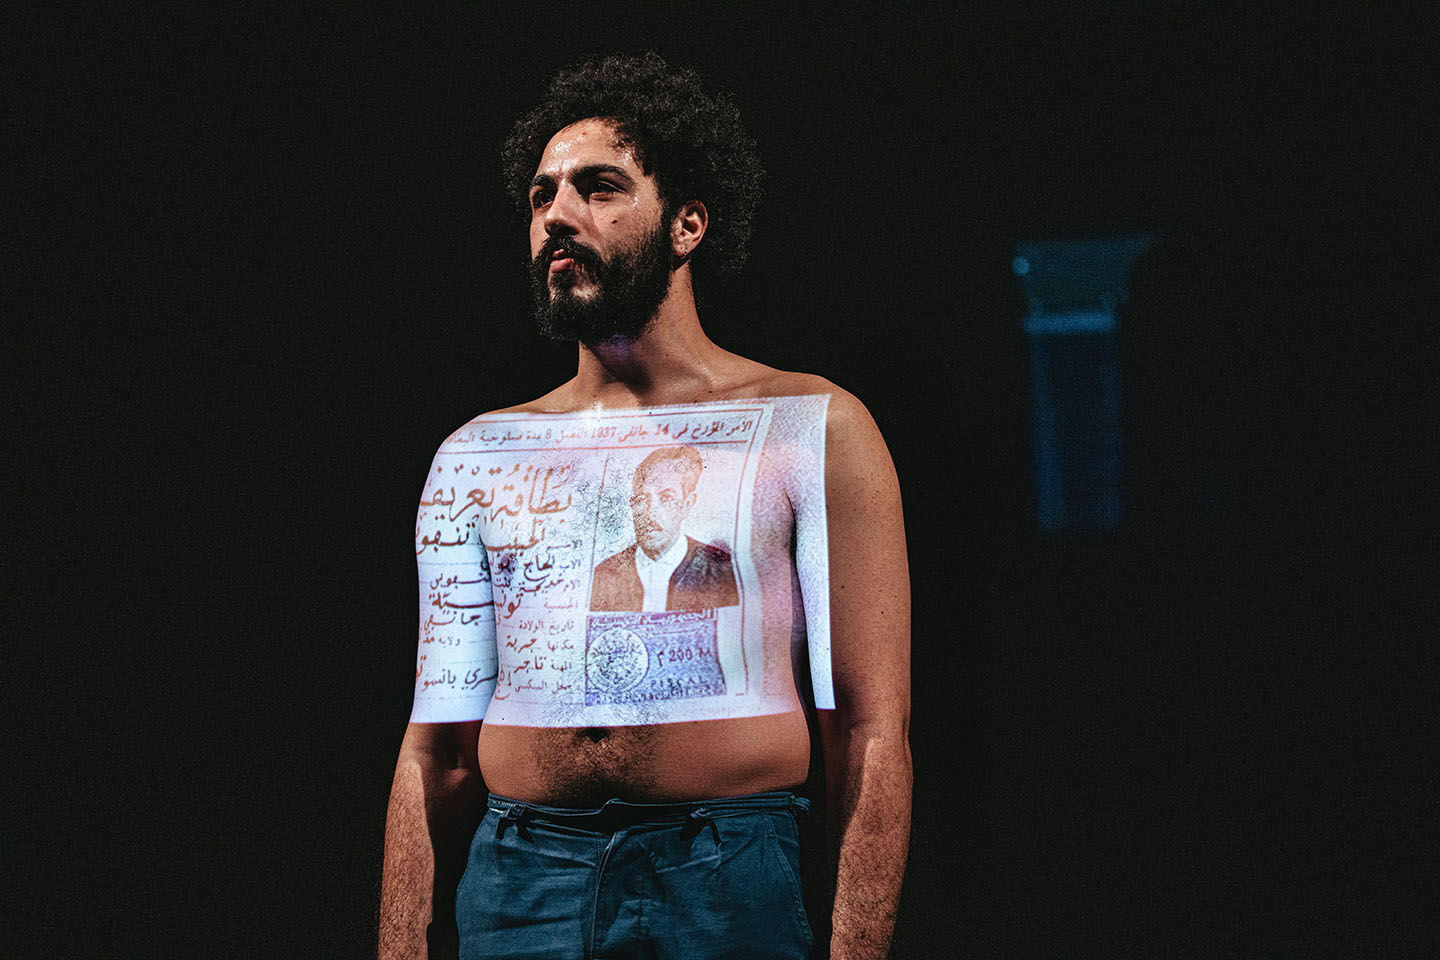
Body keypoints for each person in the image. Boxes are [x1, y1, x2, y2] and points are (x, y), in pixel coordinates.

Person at [380, 53, 910, 960]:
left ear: (688, 224)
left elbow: (868, 729)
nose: (558, 215)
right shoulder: (476, 455)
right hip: (520, 885)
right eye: (542, 196)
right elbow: (436, 749)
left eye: (598, 188)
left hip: (724, 874)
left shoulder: (809, 428)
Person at [590, 446, 740, 612]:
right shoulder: (606, 574)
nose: (650, 514)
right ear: (633, 505)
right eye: (642, 499)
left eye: (666, 498)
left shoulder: (720, 569)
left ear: (687, 504)